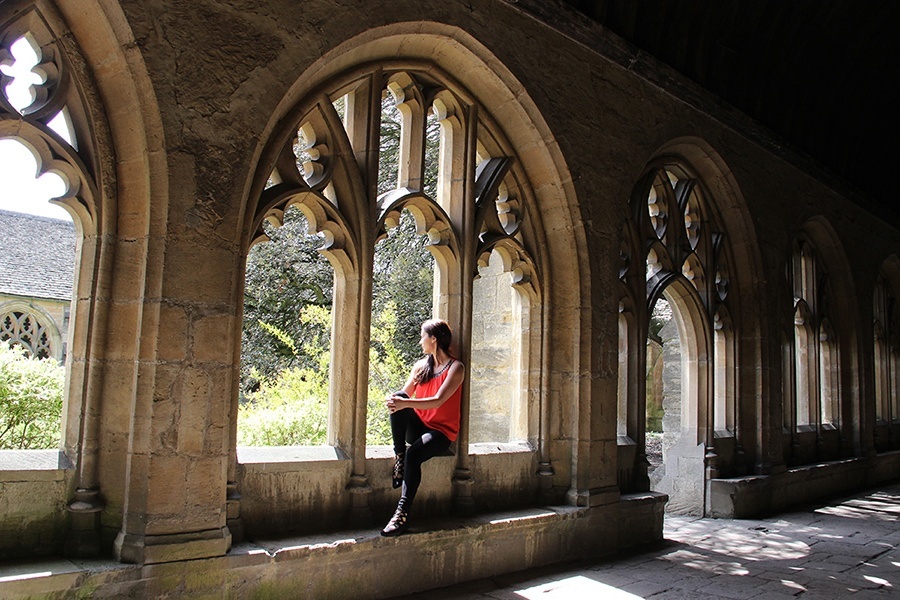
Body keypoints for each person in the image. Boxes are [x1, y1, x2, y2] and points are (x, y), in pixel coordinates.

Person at [381, 318, 464, 536]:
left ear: (434, 339)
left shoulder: (456, 368)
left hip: (440, 433)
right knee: (398, 397)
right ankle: (399, 455)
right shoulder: (421, 367)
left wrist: (404, 403)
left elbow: (438, 400)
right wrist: (394, 401)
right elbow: (405, 395)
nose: (420, 342)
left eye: (422, 336)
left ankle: (401, 515)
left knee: (415, 454)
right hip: (419, 426)